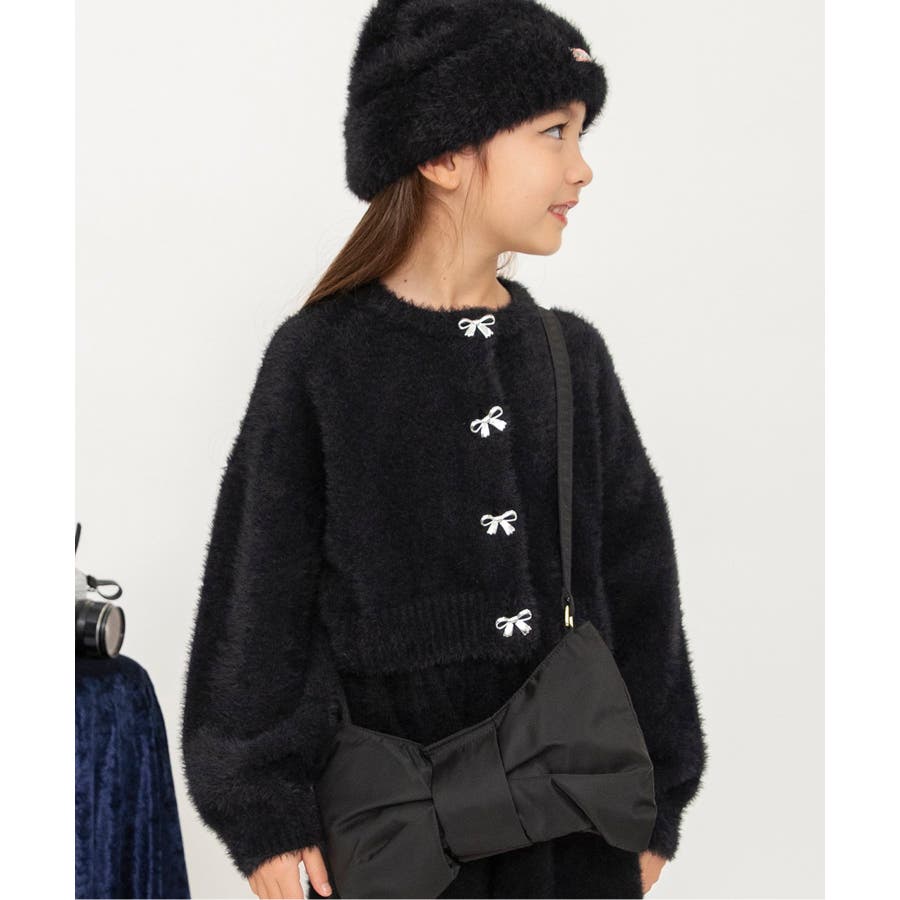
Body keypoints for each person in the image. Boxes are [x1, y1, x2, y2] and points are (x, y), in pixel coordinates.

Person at [180, 1, 708, 898]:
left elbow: (641, 582)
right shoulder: (321, 360)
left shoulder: (571, 358)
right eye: (554, 132)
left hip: (575, 829)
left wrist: (657, 802)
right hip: (394, 837)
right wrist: (265, 817)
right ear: (444, 154)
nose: (581, 167)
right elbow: (258, 599)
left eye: (580, 134)